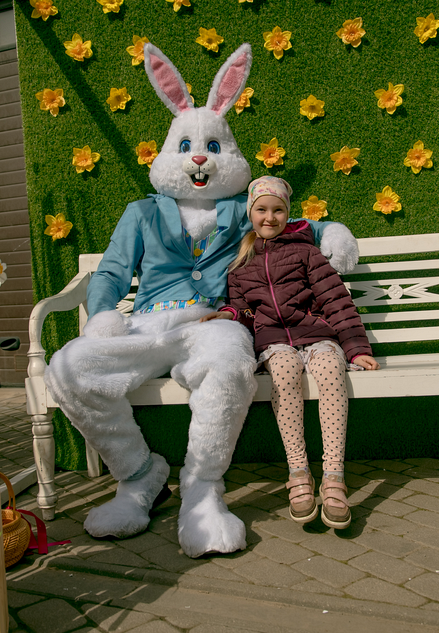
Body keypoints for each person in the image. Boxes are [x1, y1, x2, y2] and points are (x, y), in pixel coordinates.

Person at [44, 45, 360, 558]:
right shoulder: (142, 213)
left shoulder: (239, 210)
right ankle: (139, 477)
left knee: (231, 364)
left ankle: (202, 490)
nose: (199, 157)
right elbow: (113, 271)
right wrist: (103, 315)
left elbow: (291, 224)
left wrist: (331, 233)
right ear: (172, 150)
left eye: (211, 145)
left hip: (215, 320)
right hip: (147, 324)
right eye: (188, 145)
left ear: (227, 152)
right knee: (69, 367)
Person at [202, 176, 379, 529]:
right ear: (251, 214)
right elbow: (245, 310)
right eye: (262, 209)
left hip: (317, 336)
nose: (270, 217)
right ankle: (298, 473)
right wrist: (230, 314)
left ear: (288, 213)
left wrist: (356, 350)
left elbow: (336, 301)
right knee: (283, 373)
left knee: (331, 369)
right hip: (274, 344)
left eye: (278, 210)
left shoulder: (307, 252)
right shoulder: (241, 263)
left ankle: (334, 476)